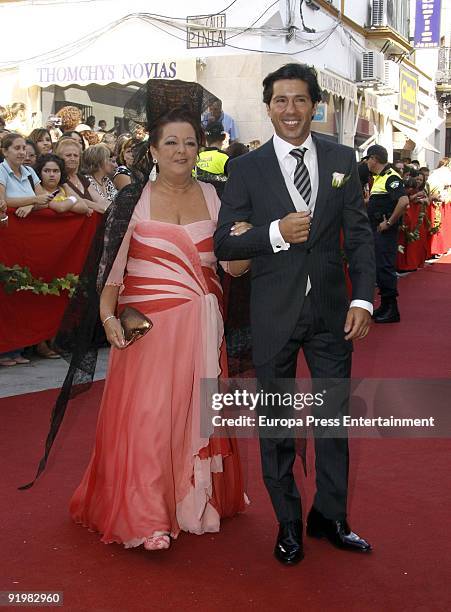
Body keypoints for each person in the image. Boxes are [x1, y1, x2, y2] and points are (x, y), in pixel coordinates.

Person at [22, 80, 250, 551]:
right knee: (148, 422)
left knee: (193, 418)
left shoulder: (217, 198)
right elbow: (110, 275)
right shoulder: (132, 201)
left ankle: (192, 501)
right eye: (171, 142)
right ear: (153, 147)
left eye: (190, 142)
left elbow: (233, 268)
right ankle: (146, 517)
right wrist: (109, 322)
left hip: (204, 332)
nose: (182, 151)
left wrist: (251, 237)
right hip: (149, 333)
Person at [214, 63, 376, 565]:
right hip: (273, 312)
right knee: (278, 422)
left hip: (332, 313)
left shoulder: (342, 158)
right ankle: (287, 524)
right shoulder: (244, 169)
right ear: (268, 108)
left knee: (334, 421)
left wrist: (363, 298)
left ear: (315, 105)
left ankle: (330, 517)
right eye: (280, 100)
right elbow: (224, 242)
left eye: (300, 100)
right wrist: (277, 233)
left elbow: (361, 235)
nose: (290, 110)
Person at [366, 144, 409, 323]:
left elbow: (404, 200)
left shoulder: (391, 177)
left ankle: (391, 309)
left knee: (385, 267)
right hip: (378, 230)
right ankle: (385, 305)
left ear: (374, 159)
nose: (367, 163)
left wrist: (389, 222)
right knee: (380, 267)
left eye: (368, 159)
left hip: (384, 232)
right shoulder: (380, 177)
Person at [54, 138, 103, 213]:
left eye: (76, 155)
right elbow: (76, 200)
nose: (73, 158)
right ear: (60, 157)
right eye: (68, 155)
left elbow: (100, 199)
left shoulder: (82, 178)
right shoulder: (58, 179)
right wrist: (103, 209)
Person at [82, 143, 117, 210]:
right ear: (99, 162)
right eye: (109, 160)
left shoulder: (106, 180)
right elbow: (103, 205)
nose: (115, 165)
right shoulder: (87, 180)